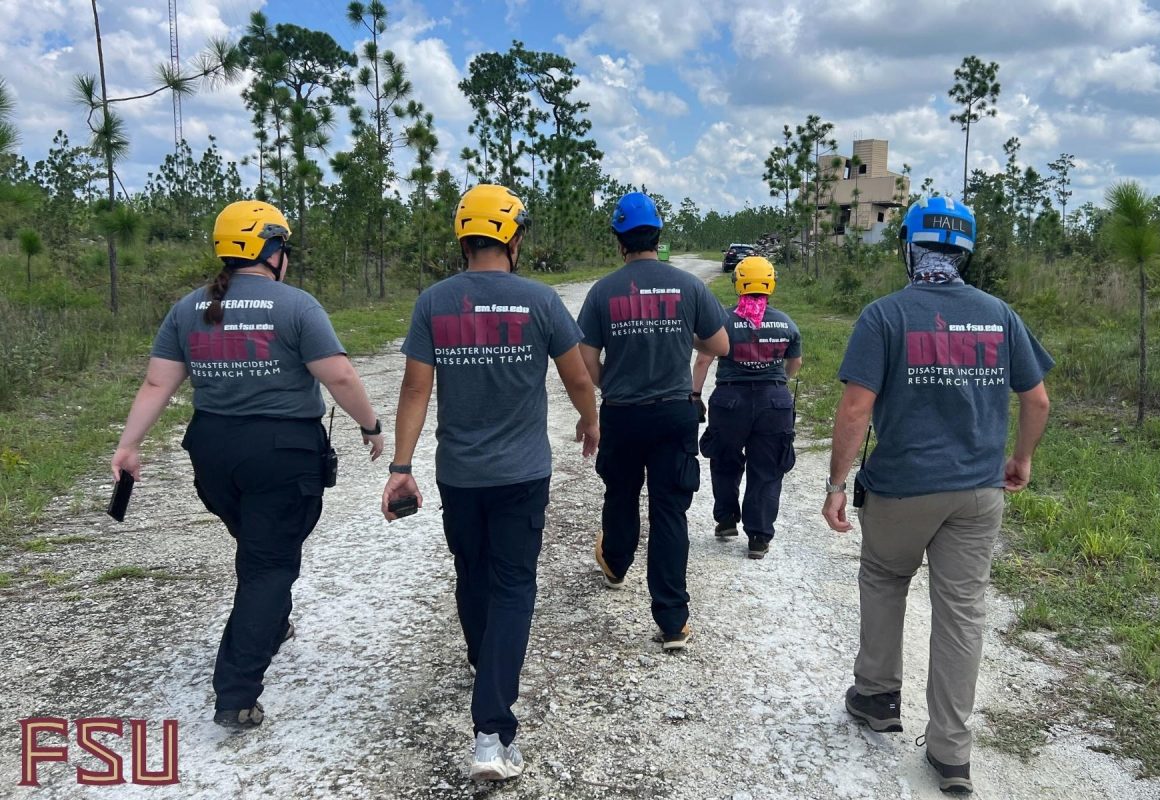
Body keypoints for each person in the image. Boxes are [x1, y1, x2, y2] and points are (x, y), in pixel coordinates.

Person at [111, 200, 386, 728]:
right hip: (282, 451)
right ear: (273, 250)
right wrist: (371, 426)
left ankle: (271, 620)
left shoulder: (188, 307)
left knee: (259, 545)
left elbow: (157, 383)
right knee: (269, 564)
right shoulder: (297, 306)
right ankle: (235, 690)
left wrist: (129, 444)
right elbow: (341, 377)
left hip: (213, 450)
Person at [821, 196, 1053, 795]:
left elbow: (855, 409)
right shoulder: (1000, 315)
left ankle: (876, 696)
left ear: (910, 247)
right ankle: (951, 752)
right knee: (962, 613)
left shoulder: (884, 316)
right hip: (977, 493)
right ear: (965, 251)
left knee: (884, 578)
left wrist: (837, 483)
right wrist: (1020, 459)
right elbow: (1037, 400)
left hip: (901, 490)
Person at [380, 184, 598, 781]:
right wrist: (590, 419)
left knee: (473, 576)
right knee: (512, 586)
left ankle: (486, 665)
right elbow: (577, 377)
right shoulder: (540, 300)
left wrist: (402, 467)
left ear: (465, 238)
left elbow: (415, 390)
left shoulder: (434, 301)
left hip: (460, 474)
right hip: (523, 472)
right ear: (514, 237)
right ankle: (493, 731)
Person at [577, 191, 729, 651]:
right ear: (658, 236)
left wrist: (612, 385)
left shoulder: (603, 291)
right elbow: (720, 345)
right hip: (674, 412)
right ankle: (672, 622)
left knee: (621, 492)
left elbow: (585, 360)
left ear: (619, 240)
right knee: (669, 512)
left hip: (623, 414)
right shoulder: (689, 287)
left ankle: (617, 565)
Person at [692, 256, 802, 560]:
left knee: (725, 459)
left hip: (730, 402)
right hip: (774, 402)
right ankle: (758, 537)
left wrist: (695, 394)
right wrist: (777, 382)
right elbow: (794, 363)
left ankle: (727, 519)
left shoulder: (723, 322)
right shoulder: (786, 322)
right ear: (771, 283)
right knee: (767, 468)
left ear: (738, 282)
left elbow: (704, 358)